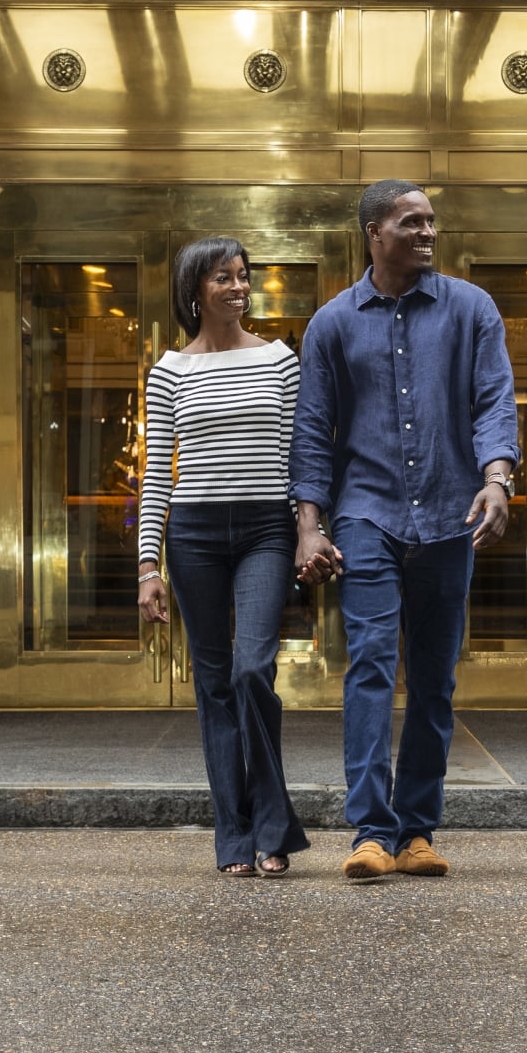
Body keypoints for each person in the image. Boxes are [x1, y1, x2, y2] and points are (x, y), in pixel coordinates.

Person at [292, 181, 518, 883]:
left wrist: (497, 478)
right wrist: (308, 526)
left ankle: (417, 830)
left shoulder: (471, 310)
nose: (427, 232)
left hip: (453, 513)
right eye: (410, 221)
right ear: (374, 233)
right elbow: (311, 434)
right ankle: (369, 830)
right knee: (368, 664)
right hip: (367, 513)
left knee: (434, 679)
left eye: (431, 222)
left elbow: (493, 399)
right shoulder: (332, 323)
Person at [137, 236, 341, 878]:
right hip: (193, 533)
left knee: (253, 669)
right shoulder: (169, 370)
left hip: (264, 531)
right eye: (223, 277)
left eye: (243, 277)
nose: (237, 286)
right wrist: (149, 566)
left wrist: (311, 526)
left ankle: (272, 828)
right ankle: (236, 838)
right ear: (195, 288)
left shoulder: (281, 359)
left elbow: (303, 451)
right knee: (212, 683)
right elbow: (156, 478)